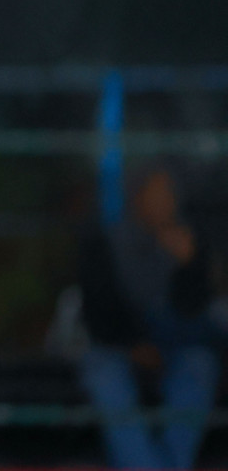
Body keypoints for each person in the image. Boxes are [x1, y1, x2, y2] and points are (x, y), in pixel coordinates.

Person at [79, 168, 219, 469]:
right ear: (137, 197)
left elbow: (198, 319)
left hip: (176, 348)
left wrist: (189, 266)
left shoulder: (191, 242)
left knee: (199, 367)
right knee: (104, 376)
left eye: (168, 195)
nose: (163, 203)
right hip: (121, 347)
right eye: (155, 194)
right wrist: (132, 344)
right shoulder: (108, 242)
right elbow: (98, 313)